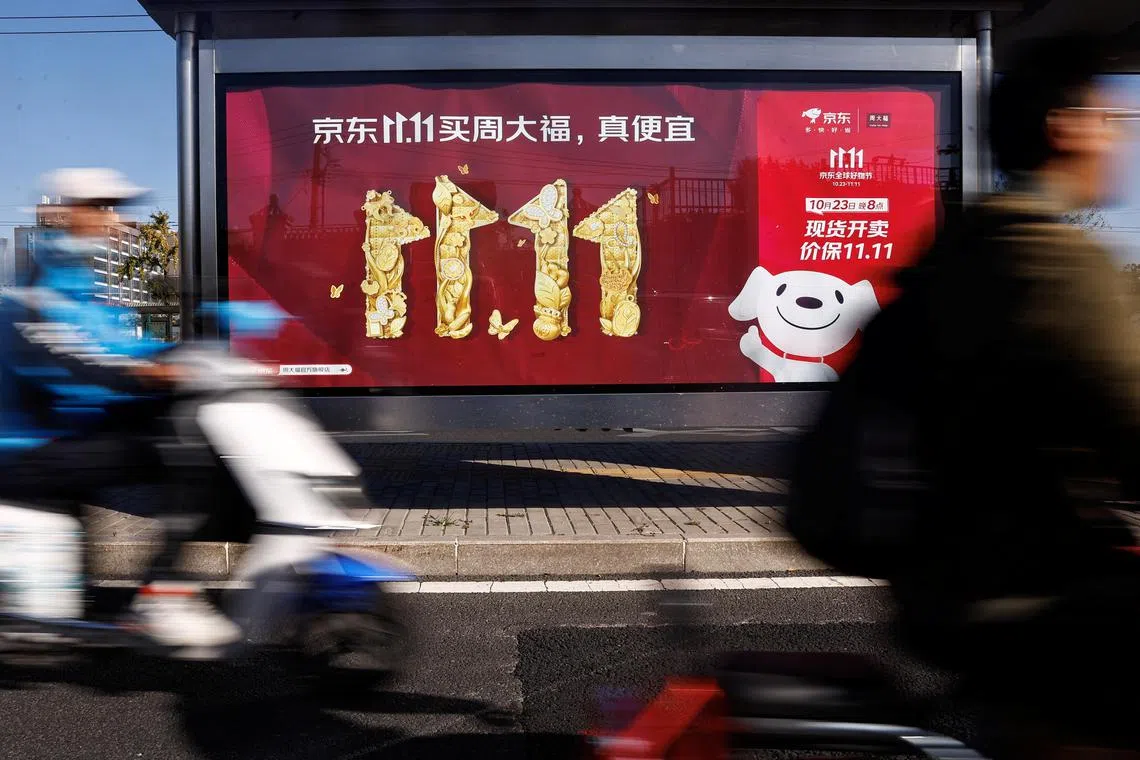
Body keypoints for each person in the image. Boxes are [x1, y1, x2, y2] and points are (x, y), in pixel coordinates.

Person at [883, 37, 1140, 759]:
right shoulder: (1055, 260)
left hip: (934, 582)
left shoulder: (953, 253)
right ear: (1064, 127)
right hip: (1026, 593)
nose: (1116, 141)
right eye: (1109, 121)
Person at [0, 168, 241, 653]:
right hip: (27, 449)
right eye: (103, 208)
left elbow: (113, 339)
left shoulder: (74, 278)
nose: (115, 221)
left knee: (177, 428)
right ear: (70, 214)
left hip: (63, 433)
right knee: (179, 446)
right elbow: (75, 357)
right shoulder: (38, 287)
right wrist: (153, 375)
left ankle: (123, 593)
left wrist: (196, 351)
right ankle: (162, 593)